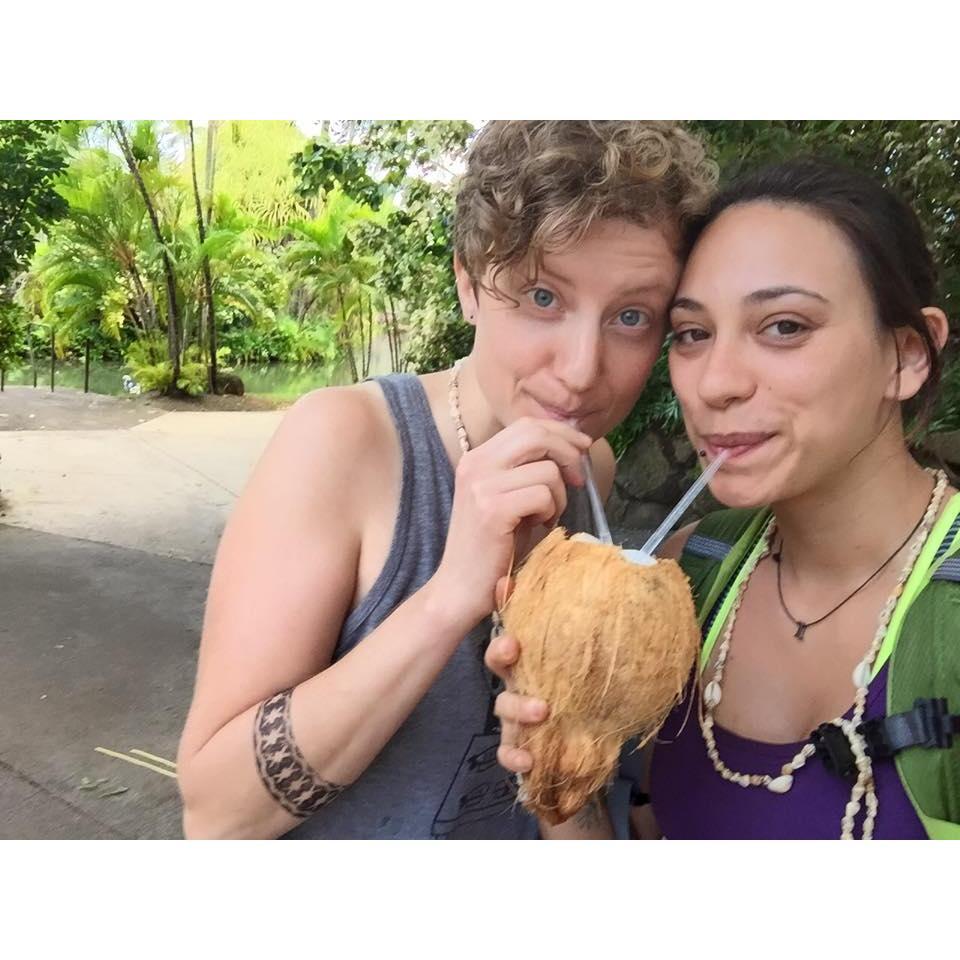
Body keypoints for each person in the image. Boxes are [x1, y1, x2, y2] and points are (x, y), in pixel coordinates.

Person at [175, 120, 717, 839]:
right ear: (468, 282)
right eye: (542, 298)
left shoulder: (589, 465)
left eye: (630, 316)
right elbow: (215, 814)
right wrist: (452, 595)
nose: (583, 369)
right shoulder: (346, 443)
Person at [489, 158, 960, 840]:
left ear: (907, 355)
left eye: (785, 326)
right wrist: (557, 763)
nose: (715, 384)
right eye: (692, 334)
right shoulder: (691, 576)